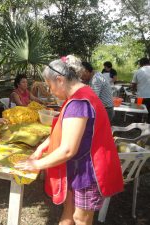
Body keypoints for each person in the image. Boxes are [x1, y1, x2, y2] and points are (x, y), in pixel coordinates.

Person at [16, 56, 123, 225]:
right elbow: (61, 130)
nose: (50, 91)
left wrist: (36, 165)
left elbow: (67, 150)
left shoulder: (79, 103)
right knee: (68, 212)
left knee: (80, 219)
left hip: (89, 169)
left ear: (59, 80)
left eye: (49, 86)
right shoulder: (80, 95)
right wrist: (41, 149)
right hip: (78, 165)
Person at [132, 57, 150, 123]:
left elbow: (133, 84)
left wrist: (133, 91)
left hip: (140, 96)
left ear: (141, 63)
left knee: (138, 111)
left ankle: (137, 125)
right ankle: (148, 126)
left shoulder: (138, 71)